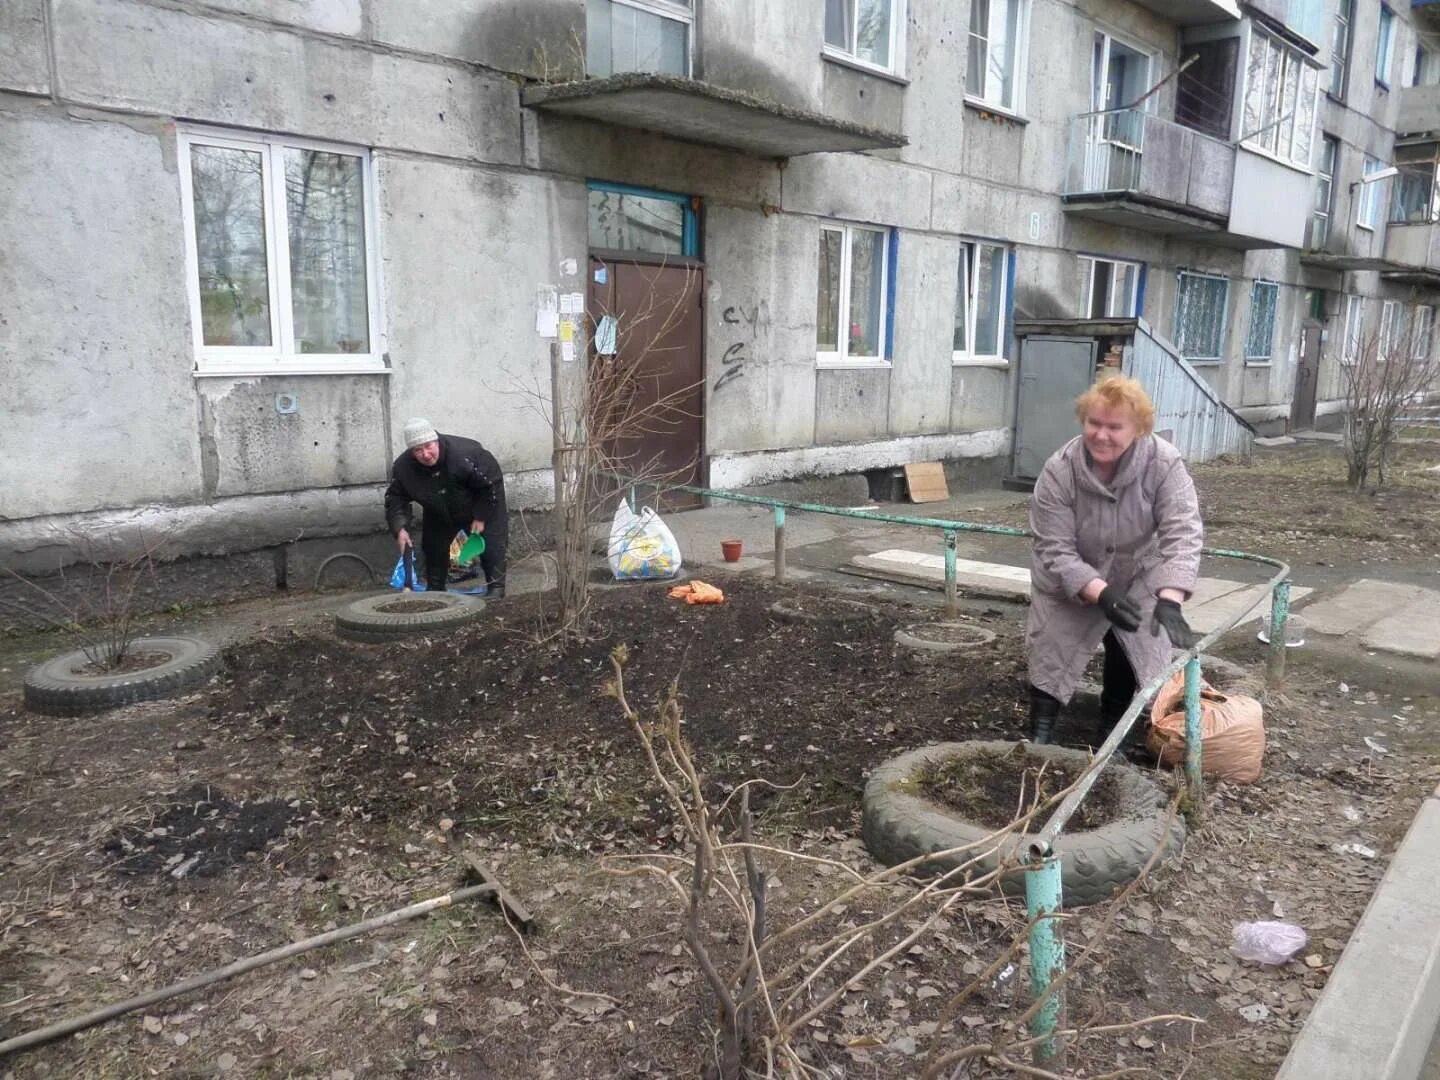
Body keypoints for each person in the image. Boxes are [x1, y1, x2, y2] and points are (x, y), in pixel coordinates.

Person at [1026, 374, 1203, 746]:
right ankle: (1040, 733)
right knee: (1051, 644)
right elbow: (1055, 548)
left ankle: (1112, 733)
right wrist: (1098, 592)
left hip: (1136, 571)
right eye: (1094, 423)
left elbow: (1182, 532)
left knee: (1132, 643)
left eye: (1114, 427)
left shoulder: (1164, 464)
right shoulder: (1060, 470)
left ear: (1138, 429)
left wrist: (1170, 600)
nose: (1101, 435)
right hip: (1070, 575)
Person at [384, 418, 508, 597]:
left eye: (428, 446)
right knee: (434, 546)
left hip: (479, 500)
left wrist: (481, 516)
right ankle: (435, 589)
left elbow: (489, 486)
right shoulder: (404, 468)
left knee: (492, 543)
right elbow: (395, 499)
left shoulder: (464, 455)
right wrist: (399, 528)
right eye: (418, 450)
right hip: (438, 507)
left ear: (436, 441)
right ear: (411, 452)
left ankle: (496, 588)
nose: (425, 454)